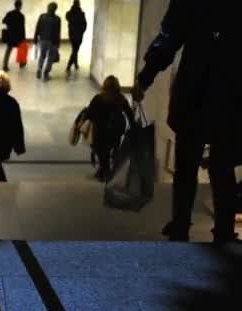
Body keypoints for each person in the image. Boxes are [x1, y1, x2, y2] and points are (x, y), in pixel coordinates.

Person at [132, 0, 237, 242]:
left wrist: (145, 78)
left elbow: (169, 38)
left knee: (186, 164)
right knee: (223, 166)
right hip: (232, 93)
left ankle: (181, 224)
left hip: (195, 90)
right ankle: (224, 229)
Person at [86, 76, 134, 181]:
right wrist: (133, 126)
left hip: (100, 131)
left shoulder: (99, 98)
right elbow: (129, 113)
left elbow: (89, 113)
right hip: (116, 130)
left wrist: (83, 121)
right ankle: (106, 170)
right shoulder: (120, 99)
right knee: (112, 148)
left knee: (102, 152)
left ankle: (105, 171)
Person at [1, 0, 26, 72]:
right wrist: (23, 37)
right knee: (21, 49)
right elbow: (22, 27)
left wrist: (10, 24)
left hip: (10, 35)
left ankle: (5, 65)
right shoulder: (21, 16)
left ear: (15, 5)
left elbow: (4, 21)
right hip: (18, 36)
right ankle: (22, 63)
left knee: (8, 50)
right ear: (20, 6)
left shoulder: (9, 14)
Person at [65, 0, 87, 78]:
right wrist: (82, 32)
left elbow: (67, 18)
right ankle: (69, 65)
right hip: (79, 35)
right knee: (75, 50)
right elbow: (85, 24)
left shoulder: (69, 13)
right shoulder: (82, 14)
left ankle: (75, 64)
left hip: (72, 35)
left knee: (74, 49)